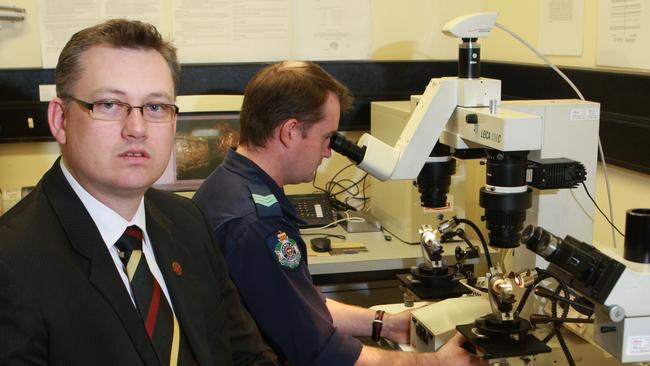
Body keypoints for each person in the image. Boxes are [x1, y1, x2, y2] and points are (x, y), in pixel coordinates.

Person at [0, 19, 278, 366]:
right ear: (60, 119)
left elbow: (246, 355)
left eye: (156, 107)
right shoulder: (11, 263)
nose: (137, 128)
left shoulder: (187, 220)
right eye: (109, 105)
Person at [193, 61, 485, 366]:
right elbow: (320, 353)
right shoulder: (253, 223)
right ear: (290, 132)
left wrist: (388, 324)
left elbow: (296, 304)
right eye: (326, 137)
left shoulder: (230, 183)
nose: (328, 152)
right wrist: (438, 363)